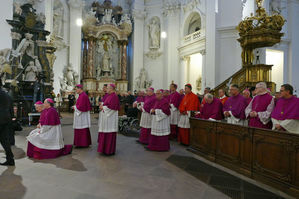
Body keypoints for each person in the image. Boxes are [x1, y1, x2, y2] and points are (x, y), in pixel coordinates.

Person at [97, 84, 120, 155]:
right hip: (107, 118)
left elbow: (113, 107)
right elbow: (107, 104)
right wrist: (102, 105)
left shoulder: (114, 96)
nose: (106, 89)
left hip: (110, 119)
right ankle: (104, 149)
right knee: (105, 133)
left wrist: (103, 107)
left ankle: (109, 150)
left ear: (111, 89)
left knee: (109, 133)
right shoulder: (110, 96)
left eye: (107, 88)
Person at [0, 84, 14, 166]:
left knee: (4, 140)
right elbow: (11, 108)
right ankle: (10, 159)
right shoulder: (7, 95)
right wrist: (11, 117)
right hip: (6, 119)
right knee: (5, 141)